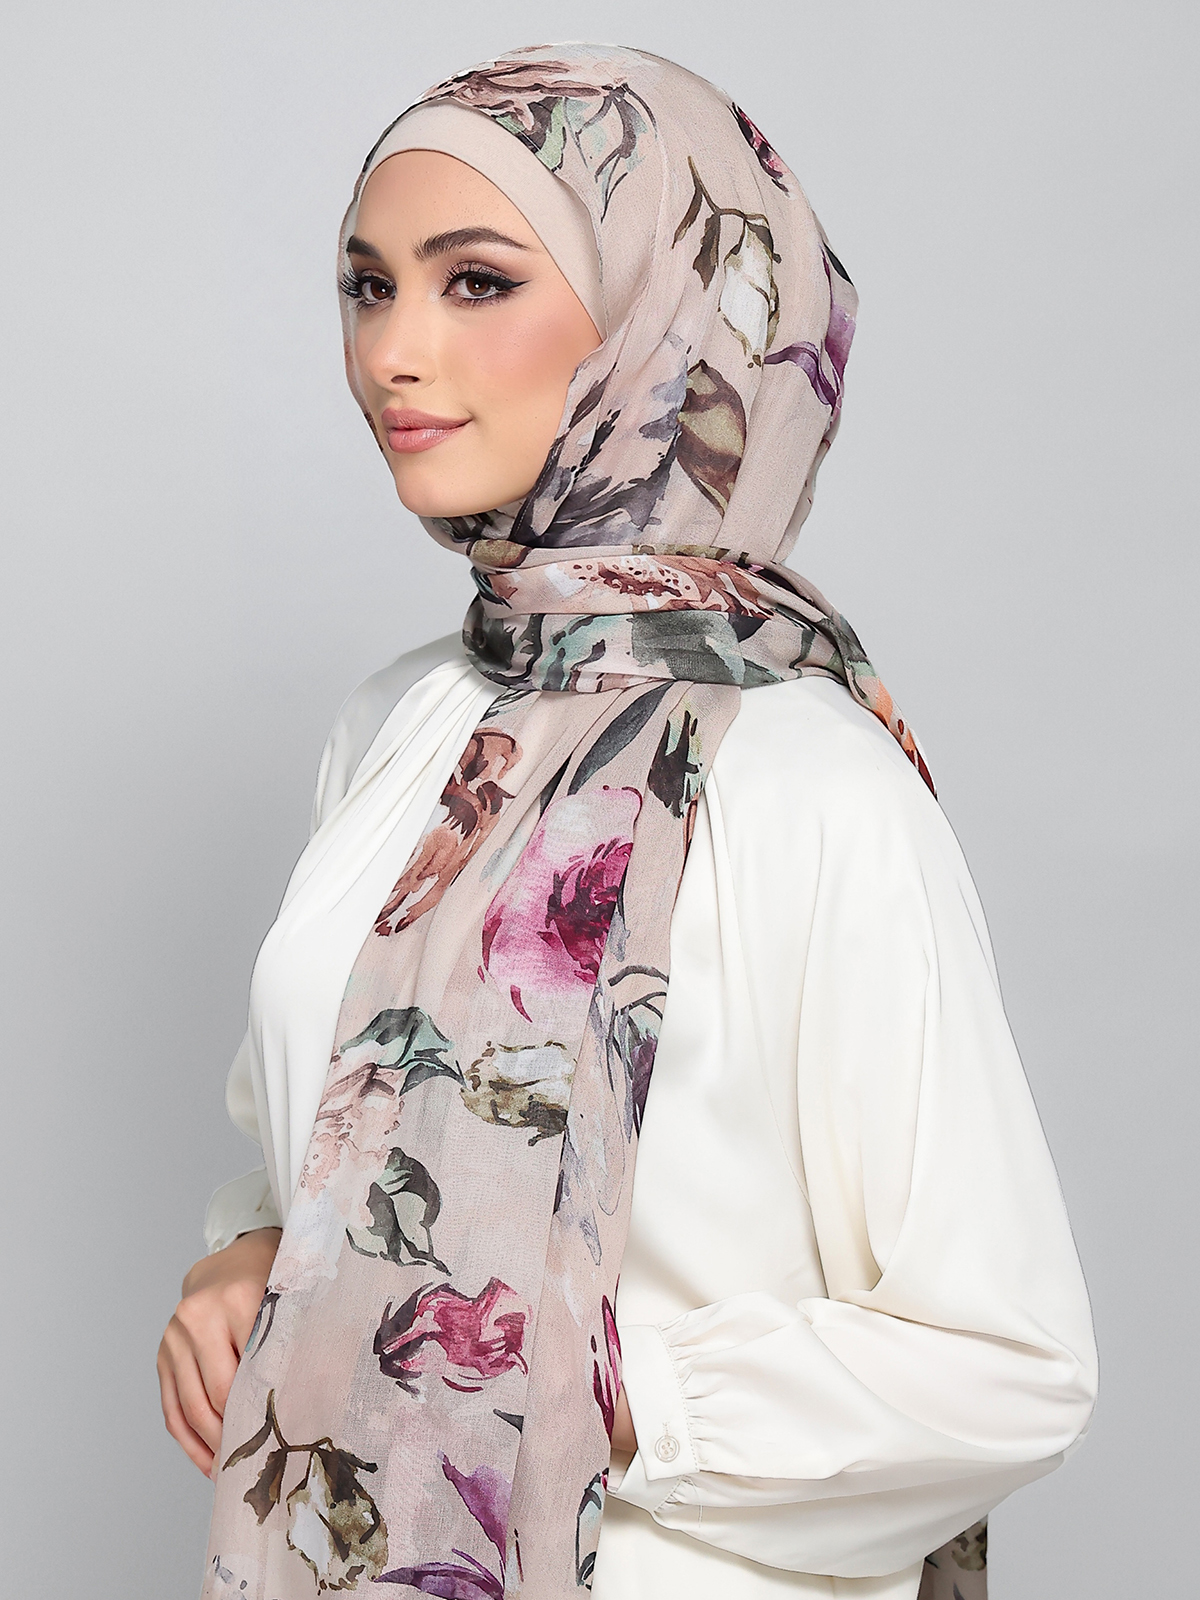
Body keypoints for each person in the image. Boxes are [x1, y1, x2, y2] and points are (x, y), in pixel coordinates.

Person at [157, 43, 1097, 1600]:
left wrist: (580, 1394)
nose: (392, 351)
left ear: (670, 317)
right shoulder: (396, 730)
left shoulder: (813, 787)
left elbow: (1009, 1366)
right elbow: (318, 1143)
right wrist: (249, 1260)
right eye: (368, 285)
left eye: (475, 282)